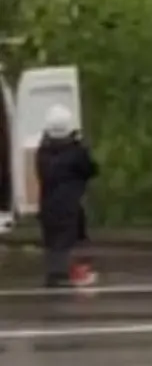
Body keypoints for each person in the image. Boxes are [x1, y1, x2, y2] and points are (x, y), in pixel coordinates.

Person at [35, 105, 97, 287]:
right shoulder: (76, 152)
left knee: (52, 239)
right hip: (69, 202)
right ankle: (63, 273)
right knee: (69, 239)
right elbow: (90, 169)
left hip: (47, 202)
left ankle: (55, 273)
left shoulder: (42, 152)